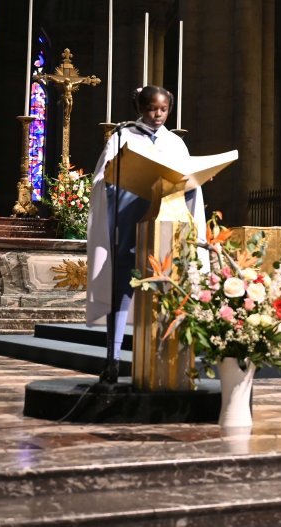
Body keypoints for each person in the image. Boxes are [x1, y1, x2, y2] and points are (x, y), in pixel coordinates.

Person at [86, 85, 206, 383]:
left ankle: (169, 359)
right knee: (122, 287)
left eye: (164, 110)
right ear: (141, 107)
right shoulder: (122, 136)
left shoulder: (175, 143)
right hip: (129, 223)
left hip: (165, 225)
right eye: (153, 109)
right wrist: (118, 178)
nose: (158, 115)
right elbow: (101, 177)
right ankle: (112, 360)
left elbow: (189, 180)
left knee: (167, 285)